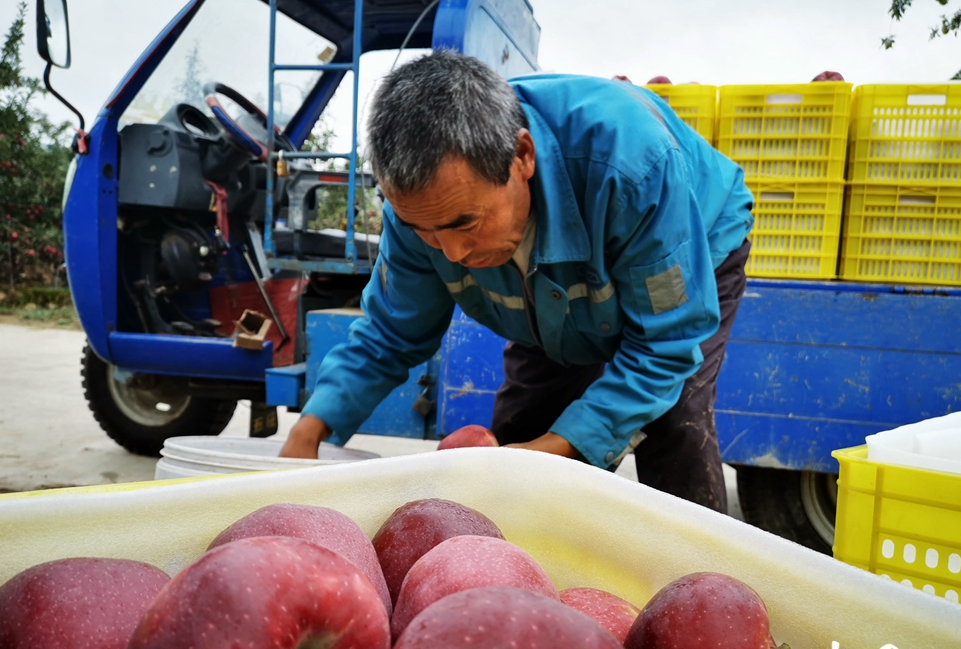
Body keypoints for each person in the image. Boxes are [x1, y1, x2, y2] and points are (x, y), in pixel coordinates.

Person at [280, 51, 753, 513]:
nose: (453, 254)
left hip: (695, 241)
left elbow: (664, 347)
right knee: (520, 435)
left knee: (673, 420)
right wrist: (310, 429)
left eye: (465, 224)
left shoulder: (632, 167)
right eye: (428, 233)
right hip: (554, 292)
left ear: (522, 156)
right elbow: (391, 332)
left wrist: (563, 448)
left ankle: (701, 563)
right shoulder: (420, 211)